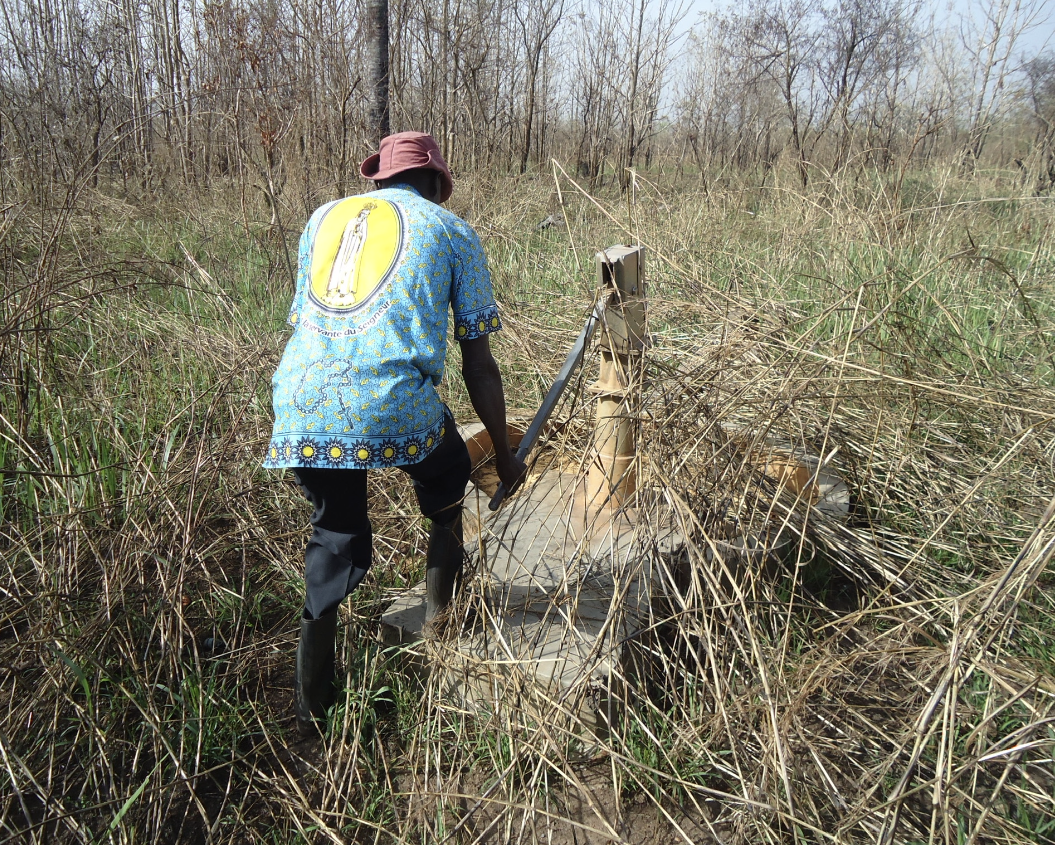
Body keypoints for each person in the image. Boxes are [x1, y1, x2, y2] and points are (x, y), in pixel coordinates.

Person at [263, 131, 526, 734]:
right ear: (436, 183)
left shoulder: (322, 219)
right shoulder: (451, 230)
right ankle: (438, 622)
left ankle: (311, 711)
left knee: (335, 535)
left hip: (300, 405)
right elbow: (478, 362)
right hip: (391, 401)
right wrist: (505, 459)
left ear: (378, 181)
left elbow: (311, 321)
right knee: (450, 475)